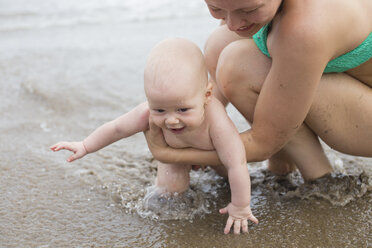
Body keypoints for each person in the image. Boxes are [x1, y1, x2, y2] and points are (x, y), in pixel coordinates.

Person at [144, 0, 372, 182]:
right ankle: (282, 165)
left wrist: (174, 154)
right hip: (350, 88)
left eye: (249, 9)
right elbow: (213, 88)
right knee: (220, 44)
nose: (232, 22)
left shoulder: (305, 27)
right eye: (216, 8)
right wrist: (192, 121)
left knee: (240, 65)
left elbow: (263, 143)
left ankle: (322, 180)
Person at [50, 38, 258, 234]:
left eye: (183, 109)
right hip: (173, 155)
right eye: (160, 110)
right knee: (170, 195)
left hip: (212, 151)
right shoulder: (147, 112)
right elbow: (117, 129)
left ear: (206, 96)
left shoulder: (217, 122)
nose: (171, 120)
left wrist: (240, 206)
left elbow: (236, 162)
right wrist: (85, 146)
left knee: (227, 177)